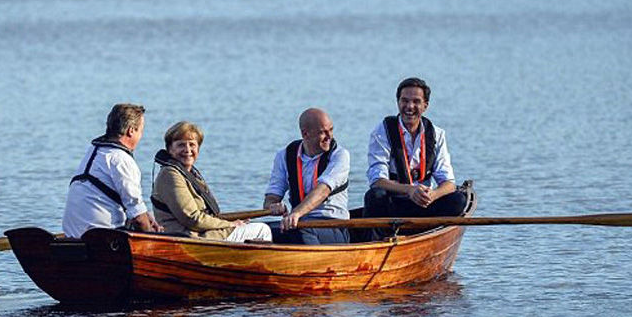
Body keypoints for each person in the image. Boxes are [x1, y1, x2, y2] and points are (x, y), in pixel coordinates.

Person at [364, 77, 466, 229]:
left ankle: (425, 231)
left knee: (459, 199)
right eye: (404, 101)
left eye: (416, 102)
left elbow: (449, 183)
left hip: (424, 204)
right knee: (374, 196)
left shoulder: (437, 134)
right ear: (398, 103)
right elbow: (377, 180)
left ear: (425, 106)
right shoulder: (382, 132)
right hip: (394, 204)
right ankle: (383, 236)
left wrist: (433, 195)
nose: (409, 106)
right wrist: (410, 190)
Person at [151, 121, 272, 242]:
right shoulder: (170, 175)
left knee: (252, 226)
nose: (187, 150)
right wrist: (231, 225)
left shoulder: (189, 174)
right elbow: (192, 219)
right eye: (181, 145)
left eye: (192, 145)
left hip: (198, 233)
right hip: (188, 237)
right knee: (262, 229)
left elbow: (209, 216)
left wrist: (230, 222)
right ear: (170, 149)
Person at [63, 103, 162, 238]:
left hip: (72, 235)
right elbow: (137, 216)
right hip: (103, 239)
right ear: (131, 130)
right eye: (141, 130)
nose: (141, 136)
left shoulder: (93, 152)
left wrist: (146, 216)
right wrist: (152, 236)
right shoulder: (120, 159)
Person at [263, 108, 350, 244]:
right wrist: (272, 206)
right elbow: (271, 198)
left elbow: (322, 191)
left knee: (301, 232)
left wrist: (296, 213)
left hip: (333, 226)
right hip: (299, 224)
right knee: (261, 230)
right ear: (305, 134)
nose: (329, 136)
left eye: (331, 130)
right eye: (323, 132)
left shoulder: (339, 155)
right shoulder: (285, 155)